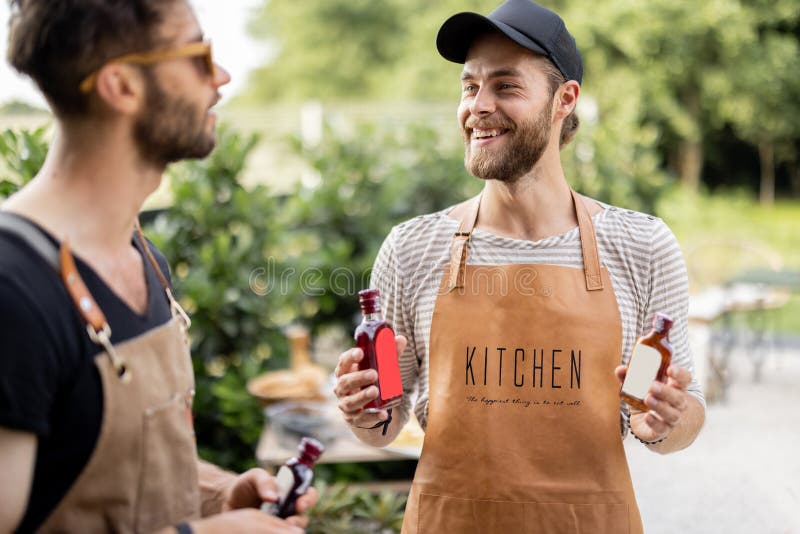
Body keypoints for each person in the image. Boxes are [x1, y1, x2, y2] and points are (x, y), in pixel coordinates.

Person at [332, 0, 706, 532]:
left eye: (505, 86)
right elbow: (382, 424)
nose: (478, 106)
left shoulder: (641, 246)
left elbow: (675, 414)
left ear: (564, 100)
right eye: (469, 87)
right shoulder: (413, 249)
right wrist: (362, 411)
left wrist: (663, 418)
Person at [0, 1, 315, 532]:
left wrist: (218, 496)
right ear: (121, 86)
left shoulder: (143, 258)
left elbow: (110, 460)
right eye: (199, 55)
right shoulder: (14, 289)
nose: (222, 76)